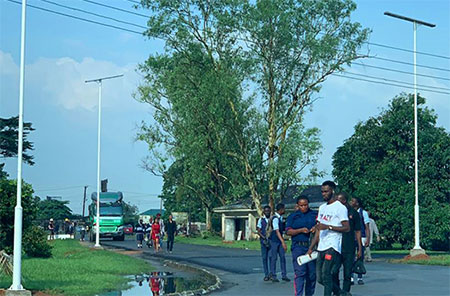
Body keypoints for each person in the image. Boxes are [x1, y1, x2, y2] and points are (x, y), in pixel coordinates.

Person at [308, 181, 349, 296]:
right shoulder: (322, 208)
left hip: (333, 245)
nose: (324, 194)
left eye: (326, 191)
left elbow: (346, 228)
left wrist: (329, 226)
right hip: (321, 246)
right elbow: (319, 229)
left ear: (333, 191)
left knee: (327, 274)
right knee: (320, 278)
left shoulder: (340, 208)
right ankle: (342, 293)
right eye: (322, 192)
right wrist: (311, 247)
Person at [286, 196, 317, 296]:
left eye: (306, 205)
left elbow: (321, 224)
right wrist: (300, 230)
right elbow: (288, 231)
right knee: (300, 273)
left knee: (312, 274)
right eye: (301, 205)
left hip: (311, 247)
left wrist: (315, 228)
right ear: (298, 205)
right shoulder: (293, 216)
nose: (304, 207)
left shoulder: (314, 214)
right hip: (298, 247)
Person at [335, 192, 362, 296]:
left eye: (339, 200)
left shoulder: (353, 213)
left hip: (349, 247)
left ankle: (345, 292)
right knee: (334, 272)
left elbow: (358, 231)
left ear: (344, 201)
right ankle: (337, 292)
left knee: (347, 273)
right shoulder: (335, 212)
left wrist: (359, 248)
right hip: (336, 246)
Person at [350, 197, 370, 285]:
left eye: (353, 201)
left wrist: (368, 238)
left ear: (357, 203)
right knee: (350, 257)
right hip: (351, 237)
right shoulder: (349, 212)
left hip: (361, 236)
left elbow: (367, 227)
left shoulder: (363, 213)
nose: (351, 202)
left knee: (359, 257)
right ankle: (350, 277)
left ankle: (359, 277)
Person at [270, 203, 290, 282]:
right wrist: (283, 242)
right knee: (274, 258)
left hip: (279, 240)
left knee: (282, 257)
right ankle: (273, 275)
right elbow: (277, 231)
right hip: (275, 241)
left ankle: (284, 275)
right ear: (281, 209)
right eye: (284, 209)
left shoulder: (281, 218)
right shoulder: (275, 219)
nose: (284, 210)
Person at [256, 205, 272, 281]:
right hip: (263, 242)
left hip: (272, 241)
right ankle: (266, 274)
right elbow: (258, 231)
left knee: (272, 258)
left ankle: (272, 274)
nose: (267, 212)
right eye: (266, 211)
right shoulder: (261, 220)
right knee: (264, 258)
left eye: (268, 211)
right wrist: (263, 237)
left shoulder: (273, 219)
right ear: (264, 212)